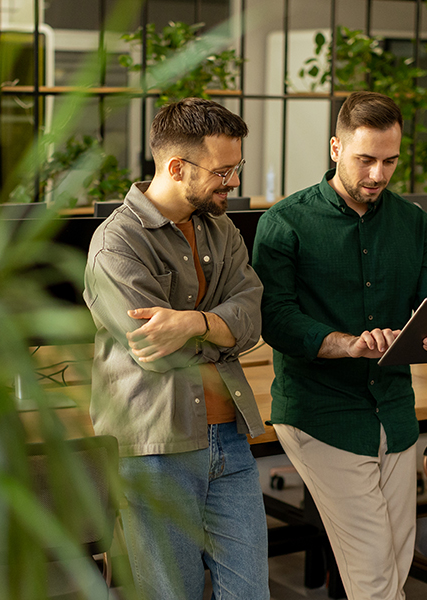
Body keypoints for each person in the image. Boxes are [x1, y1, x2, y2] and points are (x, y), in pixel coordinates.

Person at [251, 90, 427, 600]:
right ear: (335, 147)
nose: (377, 174)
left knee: (396, 560)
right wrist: (348, 345)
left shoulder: (414, 223)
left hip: (393, 412)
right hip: (319, 414)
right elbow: (275, 321)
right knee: (372, 574)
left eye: (389, 161)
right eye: (365, 159)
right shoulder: (284, 223)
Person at [83, 97, 269, 600]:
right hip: (154, 447)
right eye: (223, 171)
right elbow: (156, 351)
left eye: (237, 167)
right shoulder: (116, 244)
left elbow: (253, 317)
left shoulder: (222, 228)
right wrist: (219, 331)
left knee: (251, 593)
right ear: (177, 167)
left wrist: (193, 322)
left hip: (230, 437)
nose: (233, 182)